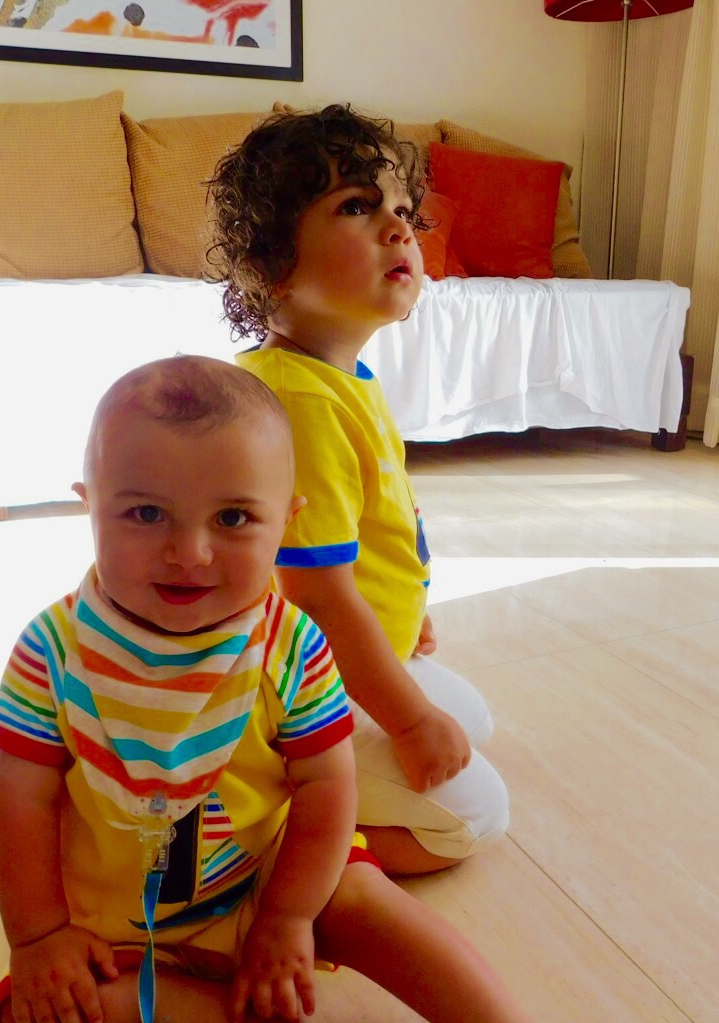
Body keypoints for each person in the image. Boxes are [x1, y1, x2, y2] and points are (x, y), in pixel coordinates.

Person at [0, 356, 570, 1023]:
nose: (189, 553)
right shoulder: (52, 650)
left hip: (273, 881)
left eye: (232, 518)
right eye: (145, 514)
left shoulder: (290, 643)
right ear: (89, 506)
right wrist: (39, 937)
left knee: (367, 901)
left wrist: (288, 916)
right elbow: (23, 800)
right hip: (122, 929)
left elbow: (327, 786)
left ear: (287, 519)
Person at [208, 105, 509, 876]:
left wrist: (406, 613)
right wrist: (408, 724)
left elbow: (375, 532)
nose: (399, 228)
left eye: (403, 210)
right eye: (357, 207)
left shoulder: (341, 379)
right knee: (476, 817)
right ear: (272, 264)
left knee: (472, 720)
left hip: (336, 661)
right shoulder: (298, 402)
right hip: (293, 690)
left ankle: (336, 775)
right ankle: (281, 847)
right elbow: (315, 598)